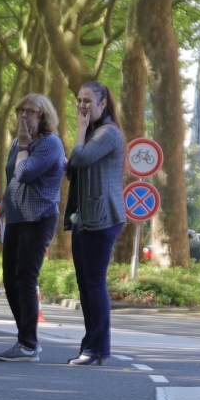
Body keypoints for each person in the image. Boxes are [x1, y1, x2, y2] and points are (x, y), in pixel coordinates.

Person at [0, 94, 66, 361]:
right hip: (15, 217)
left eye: (30, 111)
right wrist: (0, 212)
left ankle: (28, 344)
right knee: (10, 281)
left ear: (43, 115)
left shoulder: (51, 144)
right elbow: (13, 179)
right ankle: (25, 339)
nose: (24, 116)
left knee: (25, 278)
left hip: (38, 218)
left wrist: (24, 146)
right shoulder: (17, 143)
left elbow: (24, 173)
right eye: (20, 111)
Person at [63, 81, 125, 366]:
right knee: (85, 285)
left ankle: (97, 349)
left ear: (103, 103)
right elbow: (71, 168)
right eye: (79, 100)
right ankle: (91, 346)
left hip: (102, 217)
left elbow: (79, 157)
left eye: (88, 101)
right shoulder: (92, 134)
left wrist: (79, 128)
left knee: (94, 283)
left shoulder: (108, 133)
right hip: (84, 217)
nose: (82, 106)